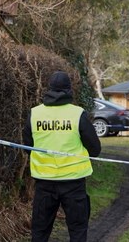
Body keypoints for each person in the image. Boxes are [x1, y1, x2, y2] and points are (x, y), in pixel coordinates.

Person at [23, 71, 101, 242]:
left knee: (40, 232)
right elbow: (95, 149)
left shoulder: (34, 114)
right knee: (78, 230)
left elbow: (27, 147)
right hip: (73, 183)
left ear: (49, 89)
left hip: (44, 183)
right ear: (69, 90)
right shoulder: (78, 114)